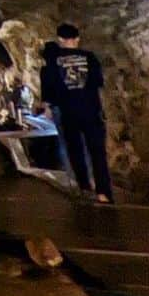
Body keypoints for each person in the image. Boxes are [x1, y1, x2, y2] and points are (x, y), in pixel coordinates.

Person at [40, 22, 113, 203]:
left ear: (60, 39)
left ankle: (85, 186)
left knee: (76, 150)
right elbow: (97, 81)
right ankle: (103, 192)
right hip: (90, 109)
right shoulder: (89, 57)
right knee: (97, 152)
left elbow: (50, 88)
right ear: (77, 39)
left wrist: (49, 105)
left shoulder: (53, 60)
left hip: (69, 111)